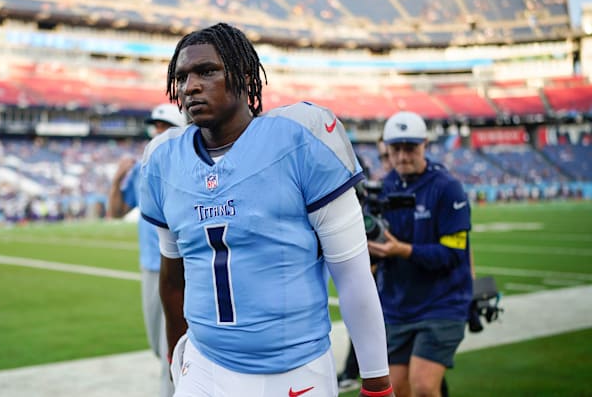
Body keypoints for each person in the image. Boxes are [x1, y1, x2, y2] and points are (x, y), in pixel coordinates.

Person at [139, 22, 394, 397]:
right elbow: (172, 279)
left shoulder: (301, 139)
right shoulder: (164, 160)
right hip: (206, 365)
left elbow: (354, 275)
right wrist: (177, 357)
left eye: (207, 71)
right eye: (181, 77)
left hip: (296, 368)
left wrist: (377, 382)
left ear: (244, 77)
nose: (190, 86)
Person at [368, 111, 473, 397]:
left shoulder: (447, 187)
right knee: (397, 390)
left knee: (424, 387)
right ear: (386, 149)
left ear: (425, 145)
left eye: (410, 148)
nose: (402, 156)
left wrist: (402, 250)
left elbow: (453, 254)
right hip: (397, 305)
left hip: (442, 302)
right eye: (395, 149)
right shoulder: (384, 187)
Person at [107, 103, 187, 397]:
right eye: (156, 126)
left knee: (172, 349)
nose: (158, 132)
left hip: (179, 268)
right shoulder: (145, 167)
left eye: (165, 126)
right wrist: (117, 180)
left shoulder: (188, 165)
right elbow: (116, 212)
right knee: (158, 345)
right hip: (150, 266)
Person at [338, 135, 393, 393]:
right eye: (384, 156)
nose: (389, 160)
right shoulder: (375, 195)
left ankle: (354, 371)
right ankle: (353, 371)